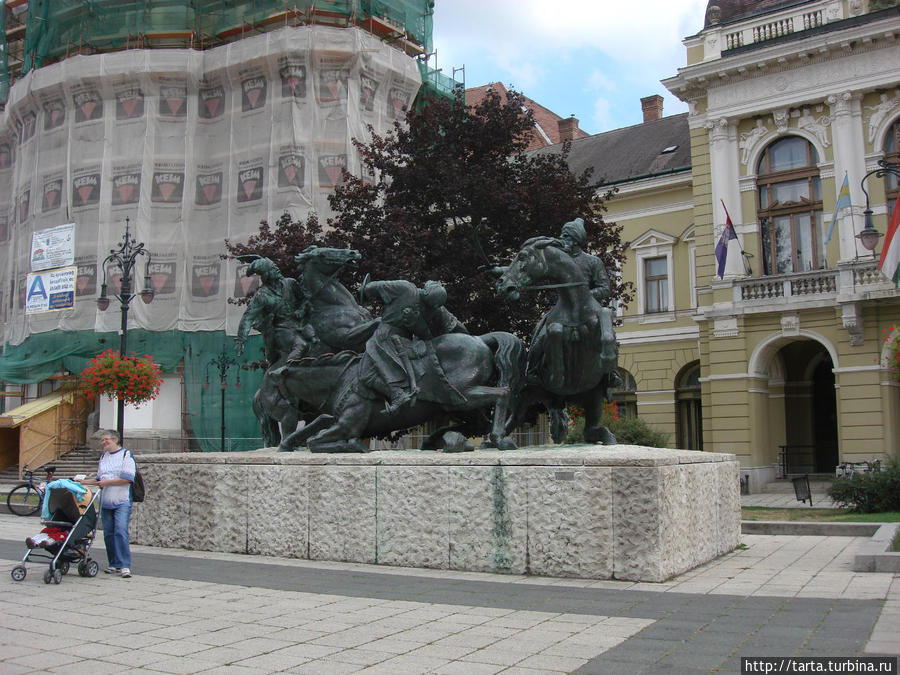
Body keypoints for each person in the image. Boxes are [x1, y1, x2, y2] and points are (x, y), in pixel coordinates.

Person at [359, 279, 467, 412]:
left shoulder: (409, 290)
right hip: (402, 342)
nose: (428, 307)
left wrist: (364, 291)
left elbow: (372, 288)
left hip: (385, 338)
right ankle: (397, 393)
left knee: (366, 374)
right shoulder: (422, 299)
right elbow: (372, 288)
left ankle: (397, 394)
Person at [76, 430, 135, 578]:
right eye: (102, 441)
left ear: (115, 440)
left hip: (121, 500)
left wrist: (107, 482)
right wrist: (83, 482)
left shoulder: (125, 455)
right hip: (105, 501)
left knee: (120, 531)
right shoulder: (103, 457)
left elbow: (127, 478)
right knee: (108, 533)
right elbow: (99, 478)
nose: (104, 443)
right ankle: (113, 563)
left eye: (106, 440)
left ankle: (124, 565)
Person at [235, 257, 309, 366]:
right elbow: (248, 317)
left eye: (276, 266)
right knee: (301, 345)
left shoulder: (290, 283)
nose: (277, 269)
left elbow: (304, 300)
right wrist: (241, 340)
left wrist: (302, 310)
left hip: (300, 324)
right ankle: (286, 370)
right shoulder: (262, 295)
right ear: (267, 275)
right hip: (281, 330)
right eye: (273, 269)